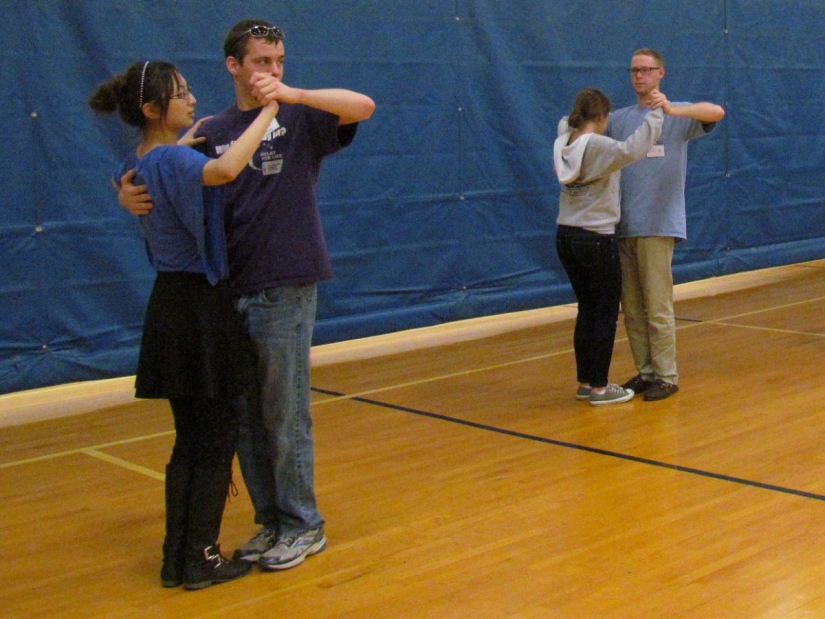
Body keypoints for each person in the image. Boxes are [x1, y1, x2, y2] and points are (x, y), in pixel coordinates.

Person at [118, 19, 375, 572]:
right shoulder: (214, 127)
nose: (273, 71)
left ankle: (303, 524)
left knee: (284, 413)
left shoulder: (300, 114)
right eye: (262, 62)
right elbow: (151, 168)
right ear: (234, 65)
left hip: (284, 283)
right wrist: (125, 192)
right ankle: (271, 520)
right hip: (228, 288)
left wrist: (292, 95)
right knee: (247, 418)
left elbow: (363, 106)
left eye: (279, 60)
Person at [90, 60, 279, 589]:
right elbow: (221, 170)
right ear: (153, 109)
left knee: (188, 440)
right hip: (199, 307)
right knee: (214, 438)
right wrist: (268, 112)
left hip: (170, 307)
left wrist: (120, 191)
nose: (193, 99)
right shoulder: (173, 159)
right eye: (182, 93)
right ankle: (201, 558)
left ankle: (179, 556)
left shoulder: (141, 160)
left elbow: (172, 152)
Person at [606, 48, 725, 401]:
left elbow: (716, 112)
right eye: (634, 70)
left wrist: (674, 109)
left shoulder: (677, 116)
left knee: (657, 305)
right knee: (632, 308)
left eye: (646, 70)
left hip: (658, 224)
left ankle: (667, 376)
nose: (639, 76)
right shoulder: (620, 119)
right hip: (623, 225)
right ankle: (645, 372)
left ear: (660, 73)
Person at [554, 88, 663, 405]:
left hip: (566, 234)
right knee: (603, 313)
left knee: (586, 310)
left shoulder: (566, 139)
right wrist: (656, 113)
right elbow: (634, 148)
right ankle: (601, 389)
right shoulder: (599, 146)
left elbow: (566, 120)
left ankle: (586, 382)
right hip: (595, 237)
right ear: (601, 117)